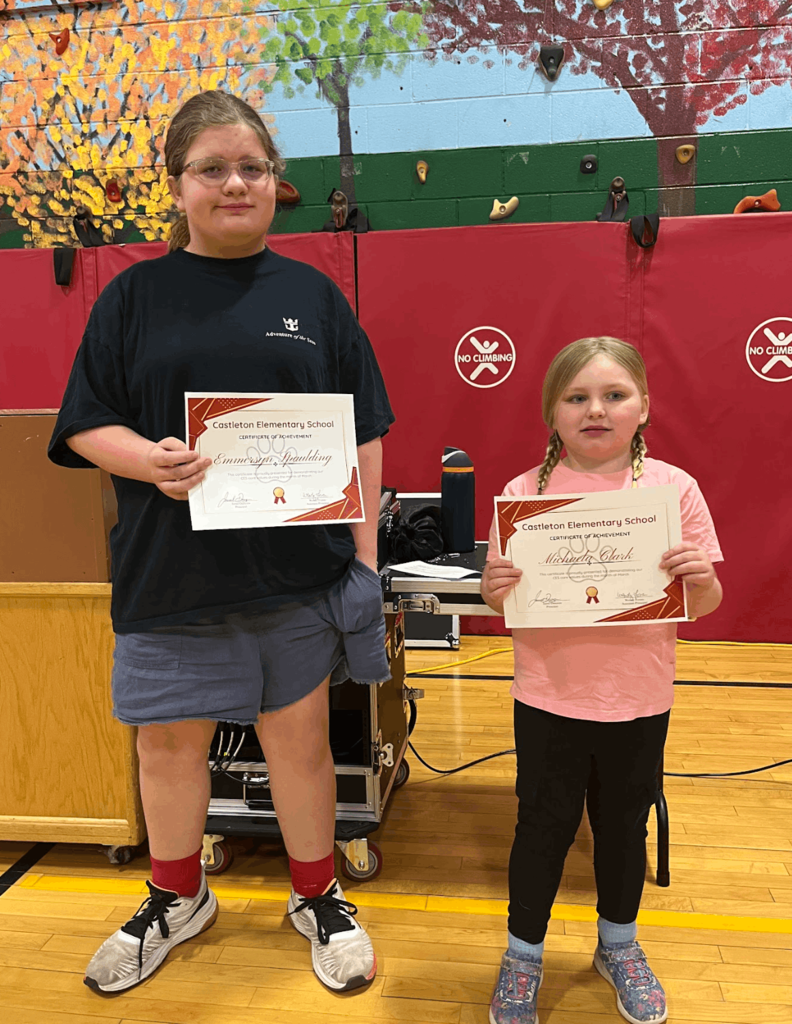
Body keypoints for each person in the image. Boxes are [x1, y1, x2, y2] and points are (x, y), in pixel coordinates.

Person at [47, 90, 394, 996]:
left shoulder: (314, 295)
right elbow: (86, 423)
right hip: (171, 573)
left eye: (252, 167)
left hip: (297, 576)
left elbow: (364, 430)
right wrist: (149, 462)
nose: (234, 182)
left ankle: (316, 893)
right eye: (212, 168)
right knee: (167, 748)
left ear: (276, 184)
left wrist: (360, 558)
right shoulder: (132, 297)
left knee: (302, 741)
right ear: (178, 187)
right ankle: (177, 895)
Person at [481, 337, 723, 1024]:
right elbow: (506, 601)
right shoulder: (525, 494)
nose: (596, 409)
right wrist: (494, 587)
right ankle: (522, 955)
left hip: (639, 698)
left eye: (614, 395)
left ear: (643, 407)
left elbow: (704, 603)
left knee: (624, 829)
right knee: (542, 828)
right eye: (577, 397)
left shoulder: (673, 491)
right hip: (548, 697)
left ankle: (618, 945)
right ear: (551, 411)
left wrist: (700, 580)